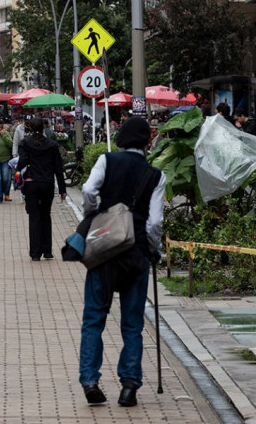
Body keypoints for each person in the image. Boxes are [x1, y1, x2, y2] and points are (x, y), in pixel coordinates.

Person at [78, 116, 166, 408]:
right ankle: (129, 386)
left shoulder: (106, 160)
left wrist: (95, 214)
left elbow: (89, 191)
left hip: (104, 252)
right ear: (147, 142)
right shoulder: (155, 175)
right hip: (136, 255)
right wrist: (153, 250)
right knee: (132, 325)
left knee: (94, 319)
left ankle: (90, 380)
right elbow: (154, 223)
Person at [16, 117, 66, 259]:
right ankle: (47, 250)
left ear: (30, 128)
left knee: (34, 217)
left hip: (32, 182)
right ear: (44, 128)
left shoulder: (25, 143)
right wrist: (62, 189)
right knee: (46, 215)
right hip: (47, 183)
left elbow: (22, 162)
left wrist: (18, 170)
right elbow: (58, 168)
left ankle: (35, 253)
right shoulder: (52, 144)